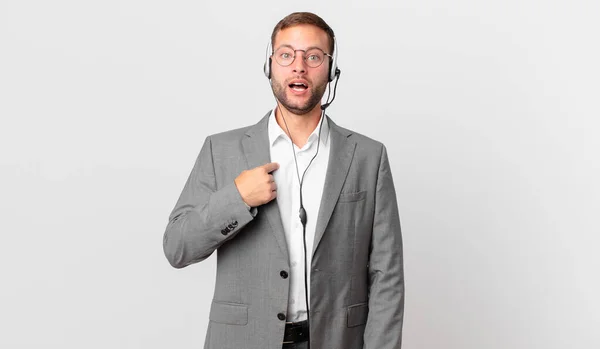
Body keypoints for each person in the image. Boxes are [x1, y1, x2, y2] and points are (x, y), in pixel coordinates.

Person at [163, 12, 404, 349]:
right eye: (286, 54)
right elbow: (177, 247)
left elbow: (387, 274)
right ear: (270, 65)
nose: (299, 67)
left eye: (314, 56)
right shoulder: (221, 150)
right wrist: (237, 197)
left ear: (332, 70)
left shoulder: (369, 156)